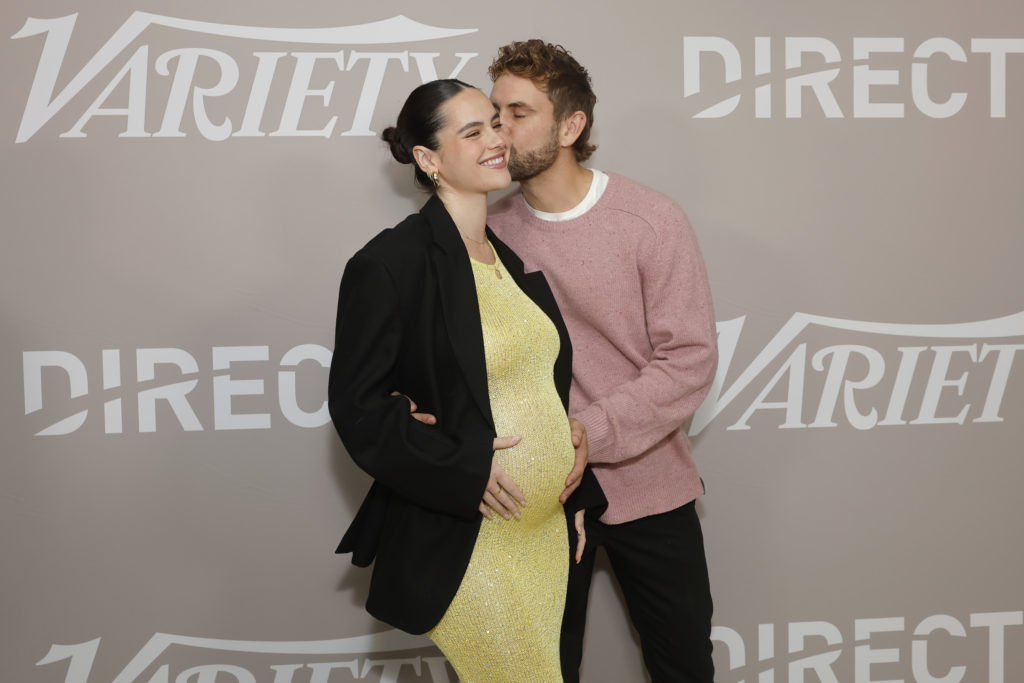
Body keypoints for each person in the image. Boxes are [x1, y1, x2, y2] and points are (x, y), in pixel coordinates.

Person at [327, 79, 605, 682]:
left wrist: (577, 492)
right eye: (472, 131)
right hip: (474, 542)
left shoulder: (507, 259)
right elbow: (359, 408)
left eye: (497, 124)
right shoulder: (390, 264)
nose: (496, 140)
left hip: (545, 538)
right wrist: (462, 465)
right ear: (427, 159)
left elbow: (538, 392)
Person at [485, 41, 720, 682]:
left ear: (570, 125)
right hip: (536, 498)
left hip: (651, 487)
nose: (500, 129)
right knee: (537, 671)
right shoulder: (485, 233)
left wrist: (591, 430)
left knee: (684, 669)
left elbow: (689, 359)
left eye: (519, 112)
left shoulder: (650, 220)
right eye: (495, 112)